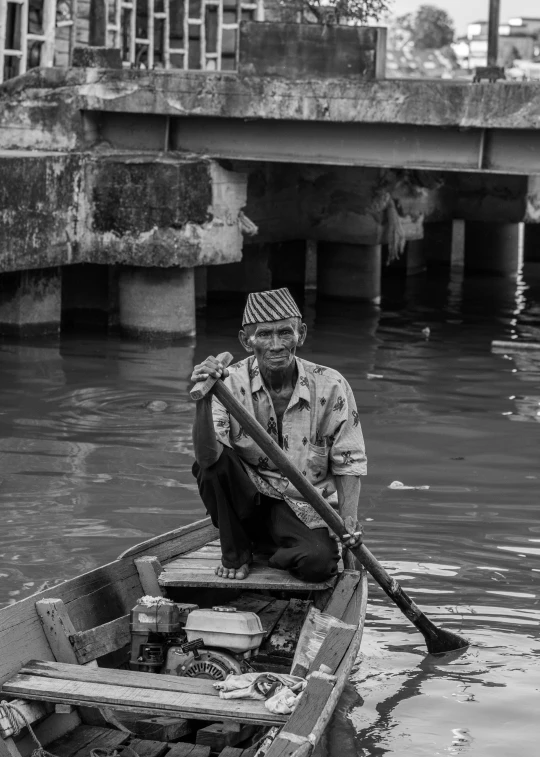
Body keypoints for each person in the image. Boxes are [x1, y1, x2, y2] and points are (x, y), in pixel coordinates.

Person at [191, 288, 367, 583]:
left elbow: (348, 461)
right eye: (263, 335)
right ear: (245, 341)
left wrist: (348, 527)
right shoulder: (228, 383)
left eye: (285, 332)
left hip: (301, 508)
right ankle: (236, 553)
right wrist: (203, 400)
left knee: (320, 565)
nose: (275, 345)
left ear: (302, 334)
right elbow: (207, 458)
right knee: (212, 466)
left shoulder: (332, 385)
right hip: (248, 500)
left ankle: (266, 550)